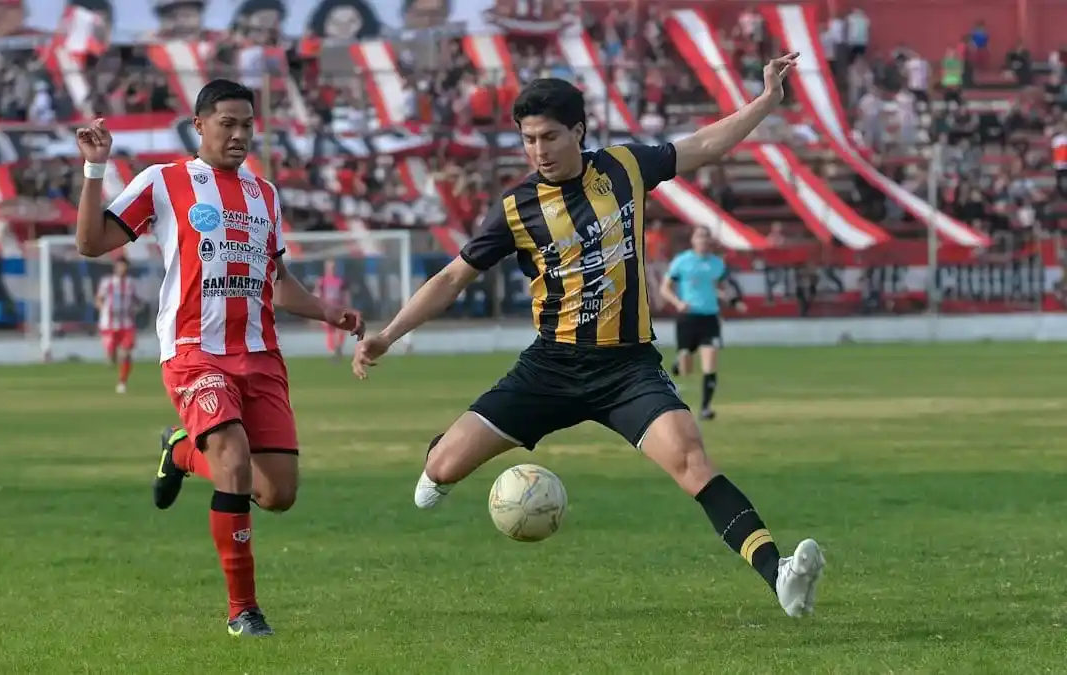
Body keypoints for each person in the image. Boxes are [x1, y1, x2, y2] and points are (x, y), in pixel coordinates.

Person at [353, 59, 827, 619]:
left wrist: (767, 100)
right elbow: (454, 276)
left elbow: (701, 145)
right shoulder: (516, 208)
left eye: (549, 136)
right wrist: (388, 335)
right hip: (549, 368)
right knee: (441, 473)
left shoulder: (625, 167)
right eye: (528, 139)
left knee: (692, 460)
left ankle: (781, 578)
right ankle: (442, 450)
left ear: (578, 131)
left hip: (627, 369)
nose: (538, 150)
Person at [73, 78, 365, 637]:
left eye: (247, 124)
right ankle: (243, 611)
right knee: (232, 461)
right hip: (192, 352)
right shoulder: (163, 182)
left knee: (277, 493)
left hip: (260, 356)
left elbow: (278, 286)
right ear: (199, 125)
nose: (238, 134)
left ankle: (180, 452)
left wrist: (331, 313)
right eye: (226, 123)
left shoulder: (266, 195)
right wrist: (94, 171)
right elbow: (91, 243)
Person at [661, 227, 744, 420]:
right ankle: (679, 362)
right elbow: (665, 288)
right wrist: (677, 303)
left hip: (710, 318)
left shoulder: (716, 264)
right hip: (688, 317)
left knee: (711, 362)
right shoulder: (682, 261)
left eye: (706, 237)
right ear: (693, 240)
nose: (703, 241)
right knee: (685, 369)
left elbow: (719, 288)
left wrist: (733, 301)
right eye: (700, 237)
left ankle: (705, 408)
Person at [95, 256, 140, 394]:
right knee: (111, 358)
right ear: (115, 267)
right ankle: (111, 356)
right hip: (109, 324)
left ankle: (122, 382)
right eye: (120, 266)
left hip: (127, 323)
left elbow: (137, 300)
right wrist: (103, 309)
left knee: (126, 354)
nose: (122, 269)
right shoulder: (107, 282)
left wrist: (137, 308)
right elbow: (98, 299)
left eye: (124, 266)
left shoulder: (132, 283)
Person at [314, 259, 348, 358]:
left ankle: (339, 347)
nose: (332, 269)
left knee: (342, 328)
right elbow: (317, 294)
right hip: (327, 309)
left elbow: (345, 295)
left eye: (333, 267)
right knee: (330, 330)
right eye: (330, 267)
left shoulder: (340, 281)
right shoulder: (322, 281)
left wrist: (347, 308)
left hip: (338, 308)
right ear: (326, 268)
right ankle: (333, 351)